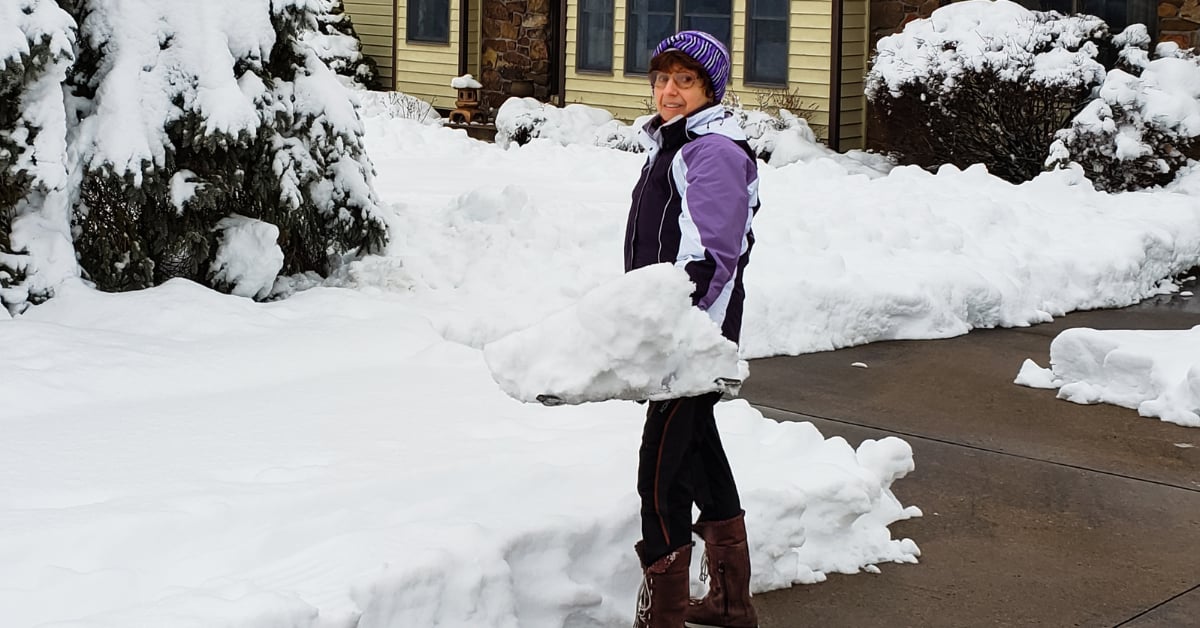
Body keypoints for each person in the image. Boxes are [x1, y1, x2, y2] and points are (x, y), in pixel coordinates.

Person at [624, 30, 760, 628]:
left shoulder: (713, 152)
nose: (669, 91)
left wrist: (670, 323)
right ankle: (730, 603)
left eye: (685, 80)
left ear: (710, 89)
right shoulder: (677, 146)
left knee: (661, 472)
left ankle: (665, 614)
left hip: (691, 335)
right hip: (678, 330)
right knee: (697, 453)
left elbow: (712, 255)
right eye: (662, 79)